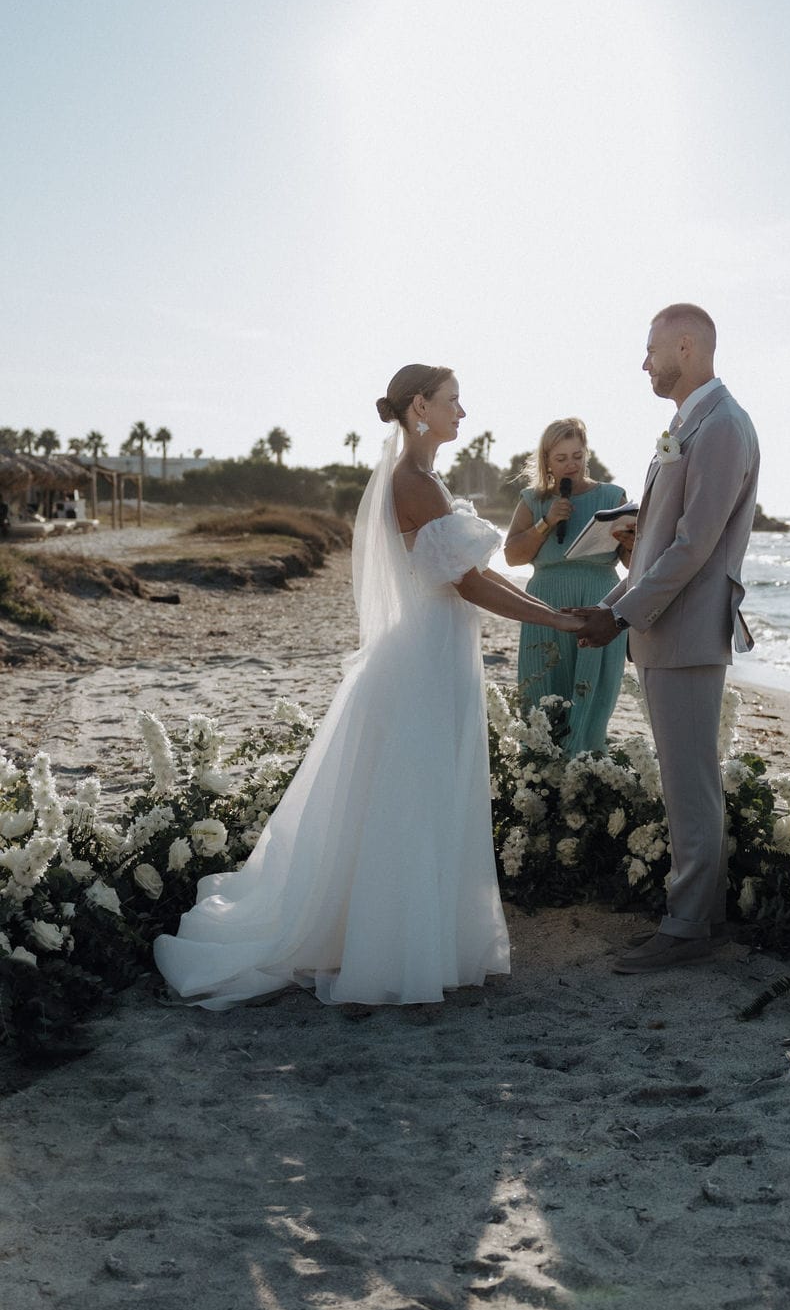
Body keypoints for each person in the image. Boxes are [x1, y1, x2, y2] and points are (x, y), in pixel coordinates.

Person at [154, 364, 585, 1009]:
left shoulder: (427, 478)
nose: (462, 413)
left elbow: (472, 575)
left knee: (426, 788)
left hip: (438, 649)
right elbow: (468, 583)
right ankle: (398, 950)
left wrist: (552, 615)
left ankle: (426, 939)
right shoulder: (413, 483)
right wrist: (556, 617)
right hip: (427, 654)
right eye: (453, 402)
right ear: (420, 407)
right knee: (413, 793)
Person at [576, 304, 760, 974]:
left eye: (652, 350)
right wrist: (628, 557)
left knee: (690, 783)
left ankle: (687, 929)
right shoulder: (686, 425)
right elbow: (667, 538)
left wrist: (618, 614)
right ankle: (694, 915)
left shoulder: (722, 427)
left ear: (687, 346)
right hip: (663, 626)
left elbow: (694, 547)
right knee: (685, 781)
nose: (644, 362)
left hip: (684, 630)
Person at [503, 418, 628, 754]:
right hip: (545, 603)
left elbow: (633, 564)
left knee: (593, 695)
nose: (571, 464)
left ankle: (585, 772)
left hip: (599, 602)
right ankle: (540, 775)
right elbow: (513, 556)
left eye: (577, 455)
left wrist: (629, 540)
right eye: (561, 459)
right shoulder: (533, 499)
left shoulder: (612, 495)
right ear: (546, 461)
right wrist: (547, 523)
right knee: (541, 688)